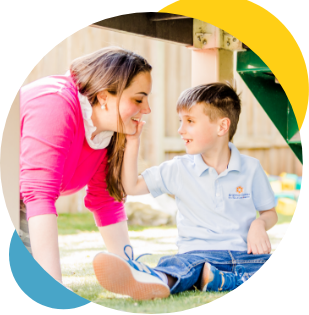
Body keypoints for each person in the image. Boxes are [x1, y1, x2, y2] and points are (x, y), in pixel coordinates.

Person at [92, 82, 278, 300]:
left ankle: (222, 280)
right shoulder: (177, 169)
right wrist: (133, 142)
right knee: (177, 266)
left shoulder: (251, 168)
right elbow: (131, 186)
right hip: (196, 257)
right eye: (181, 121)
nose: (181, 130)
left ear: (222, 127)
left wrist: (259, 224)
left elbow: (270, 213)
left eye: (190, 121)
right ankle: (153, 280)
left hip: (245, 255)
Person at [19, 46, 152, 289]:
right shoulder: (55, 103)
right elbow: (39, 195)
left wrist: (129, 272)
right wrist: (53, 287)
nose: (147, 109)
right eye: (138, 99)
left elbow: (106, 200)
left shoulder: (106, 130)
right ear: (103, 97)